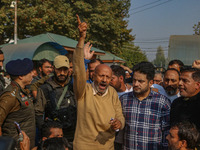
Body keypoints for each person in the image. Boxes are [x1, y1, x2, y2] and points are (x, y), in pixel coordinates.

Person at [72, 15, 125, 150]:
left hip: (107, 146)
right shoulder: (83, 91)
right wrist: (81, 38)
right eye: (101, 76)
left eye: (108, 77)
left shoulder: (112, 92)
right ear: (93, 76)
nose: (104, 80)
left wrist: (119, 123)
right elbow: (78, 71)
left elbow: (119, 114)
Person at [120, 61, 171, 150]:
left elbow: (166, 133)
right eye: (134, 80)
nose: (135, 84)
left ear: (150, 82)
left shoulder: (162, 102)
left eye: (140, 81)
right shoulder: (124, 99)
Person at [35, 55, 76, 143]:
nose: (62, 73)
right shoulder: (45, 89)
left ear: (69, 70)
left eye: (65, 70)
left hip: (74, 134)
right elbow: (38, 113)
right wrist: (46, 132)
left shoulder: (74, 86)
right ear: (53, 69)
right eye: (59, 69)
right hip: (55, 136)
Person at [0, 58, 35, 149]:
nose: (33, 75)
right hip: (15, 146)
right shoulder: (10, 96)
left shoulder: (23, 91)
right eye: (29, 72)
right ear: (21, 76)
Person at [171, 67, 200, 131]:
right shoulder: (176, 103)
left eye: (185, 81)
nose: (180, 83)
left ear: (197, 85)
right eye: (180, 80)